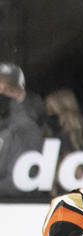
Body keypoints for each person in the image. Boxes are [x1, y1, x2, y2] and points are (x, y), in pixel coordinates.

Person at [0, 62, 45, 198]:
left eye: (8, 89)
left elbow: (20, 181)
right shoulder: (6, 126)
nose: (1, 93)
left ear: (21, 93)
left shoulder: (26, 130)